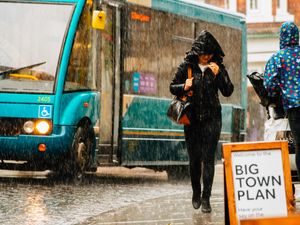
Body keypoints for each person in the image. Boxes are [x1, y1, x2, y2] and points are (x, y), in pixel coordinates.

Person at [169, 30, 234, 212]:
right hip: (192, 119)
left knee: (209, 159)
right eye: (203, 53)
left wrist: (220, 74)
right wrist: (184, 86)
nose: (206, 57)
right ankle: (196, 192)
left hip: (212, 118)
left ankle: (206, 198)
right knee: (195, 160)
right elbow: (172, 87)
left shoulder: (217, 67)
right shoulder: (186, 67)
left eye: (209, 53)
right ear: (197, 52)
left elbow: (228, 91)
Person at [264, 21, 300, 180]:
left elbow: (269, 84)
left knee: (299, 146)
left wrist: (278, 94)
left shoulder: (278, 58)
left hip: (294, 108)